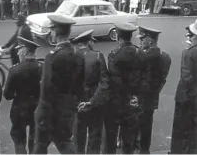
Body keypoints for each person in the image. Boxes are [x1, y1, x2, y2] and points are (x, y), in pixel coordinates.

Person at [32, 14, 85, 154]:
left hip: (50, 111)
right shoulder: (78, 54)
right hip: (67, 108)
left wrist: (41, 113)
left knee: (40, 146)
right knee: (64, 142)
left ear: (55, 32)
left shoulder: (52, 57)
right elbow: (80, 84)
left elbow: (46, 89)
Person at [103, 22, 147, 154]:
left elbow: (115, 81)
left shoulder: (114, 55)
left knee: (110, 140)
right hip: (133, 102)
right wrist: (136, 97)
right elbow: (145, 79)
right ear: (131, 36)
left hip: (116, 102)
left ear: (118, 37)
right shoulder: (140, 53)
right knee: (129, 141)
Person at [73, 29, 110, 154]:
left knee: (78, 136)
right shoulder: (97, 56)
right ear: (88, 42)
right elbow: (104, 82)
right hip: (95, 100)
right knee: (95, 135)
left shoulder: (72, 58)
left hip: (77, 102)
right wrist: (93, 101)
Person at [3, 36, 42, 154]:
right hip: (38, 108)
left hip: (20, 109)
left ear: (25, 53)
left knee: (19, 138)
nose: (18, 53)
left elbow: (7, 95)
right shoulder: (43, 67)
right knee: (35, 138)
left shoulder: (15, 70)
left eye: (20, 51)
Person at [136, 26, 171, 154]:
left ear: (150, 41)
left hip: (141, 96)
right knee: (146, 125)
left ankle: (140, 148)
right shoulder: (165, 57)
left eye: (142, 39)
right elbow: (163, 79)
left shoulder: (144, 56)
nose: (140, 42)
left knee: (139, 123)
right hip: (151, 97)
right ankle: (144, 149)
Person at [170, 20, 197, 154]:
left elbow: (187, 80)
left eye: (191, 35)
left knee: (181, 131)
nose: (188, 38)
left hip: (187, 100)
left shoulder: (188, 53)